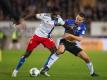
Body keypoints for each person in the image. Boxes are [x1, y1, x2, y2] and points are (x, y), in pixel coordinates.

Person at [12, 7, 65, 77]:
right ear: (51, 13)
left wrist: (71, 28)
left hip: (46, 38)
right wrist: (22, 19)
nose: (56, 15)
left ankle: (43, 70)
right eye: (54, 14)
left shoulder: (59, 19)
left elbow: (65, 25)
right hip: (37, 37)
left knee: (55, 52)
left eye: (57, 14)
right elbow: (33, 15)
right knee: (27, 54)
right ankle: (16, 70)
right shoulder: (45, 15)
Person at [40, 13, 98, 77]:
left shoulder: (83, 27)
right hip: (64, 41)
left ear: (82, 21)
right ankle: (46, 68)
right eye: (77, 18)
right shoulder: (69, 21)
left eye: (79, 20)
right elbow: (60, 23)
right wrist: (56, 20)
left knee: (86, 58)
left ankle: (92, 73)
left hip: (72, 44)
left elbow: (80, 39)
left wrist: (70, 35)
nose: (77, 20)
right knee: (60, 51)